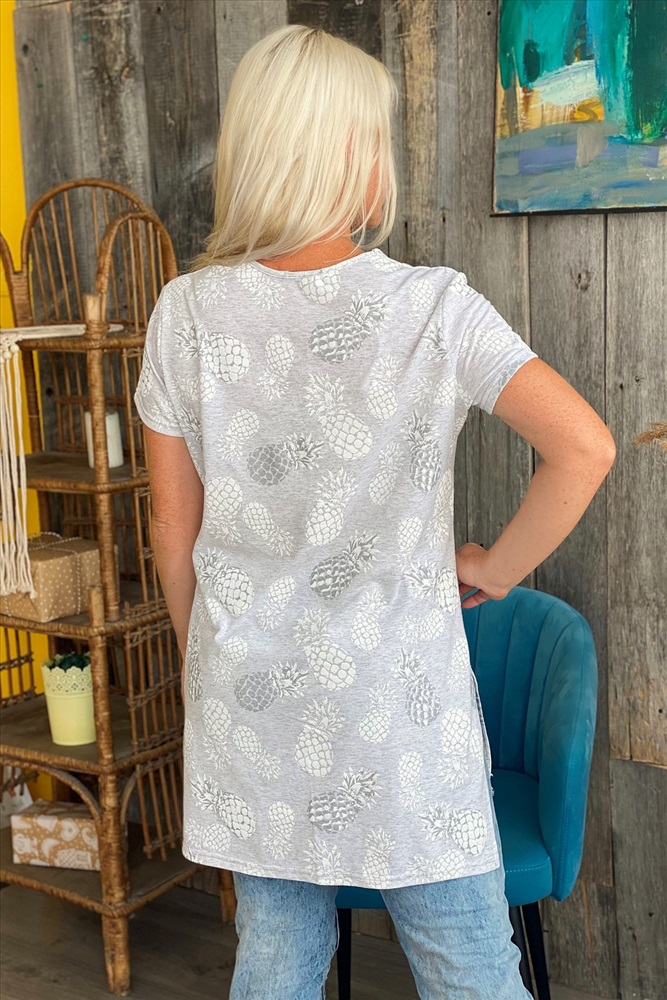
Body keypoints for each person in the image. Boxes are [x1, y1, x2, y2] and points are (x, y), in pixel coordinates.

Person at [134, 23, 616, 1000]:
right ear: (356, 152)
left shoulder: (185, 314)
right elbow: (585, 448)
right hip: (398, 717)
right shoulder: (433, 307)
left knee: (277, 957)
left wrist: (209, 666)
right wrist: (493, 570)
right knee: (468, 966)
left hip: (250, 708)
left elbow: (171, 532)